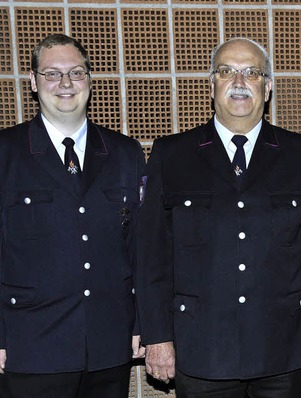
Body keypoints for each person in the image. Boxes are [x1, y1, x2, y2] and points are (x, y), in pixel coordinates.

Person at [136, 37, 301, 398]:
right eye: (227, 71)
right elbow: (152, 255)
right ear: (211, 84)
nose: (240, 82)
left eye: (252, 73)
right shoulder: (172, 155)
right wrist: (157, 336)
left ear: (269, 86)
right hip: (202, 348)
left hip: (285, 345)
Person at [0, 34, 146, 398]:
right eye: (52, 73)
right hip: (30, 346)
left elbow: (142, 249)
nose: (65, 84)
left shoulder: (125, 153)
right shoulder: (6, 154)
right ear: (32, 82)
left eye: (76, 73)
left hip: (108, 345)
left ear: (90, 80)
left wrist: (144, 323)